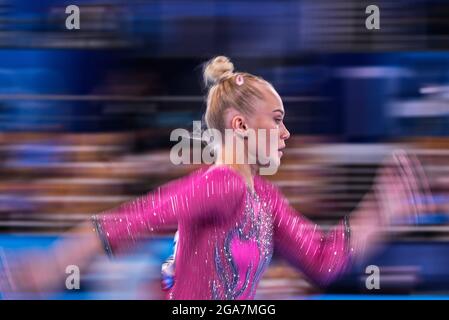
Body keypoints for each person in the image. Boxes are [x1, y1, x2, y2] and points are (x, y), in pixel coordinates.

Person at [0, 56, 430, 300]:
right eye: (277, 121)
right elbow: (134, 218)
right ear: (241, 126)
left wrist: (381, 211)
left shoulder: (264, 198)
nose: (287, 133)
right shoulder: (221, 184)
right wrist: (56, 263)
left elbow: (322, 261)